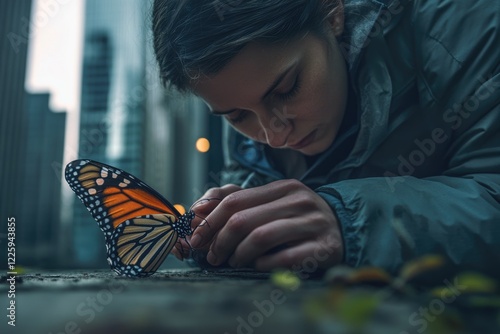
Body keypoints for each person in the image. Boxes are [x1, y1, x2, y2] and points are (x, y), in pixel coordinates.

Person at [151, 0, 500, 276]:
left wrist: (351, 223)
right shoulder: (252, 134)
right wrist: (227, 234)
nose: (272, 136)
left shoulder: (468, 28)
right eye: (236, 116)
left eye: (287, 89)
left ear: (331, 10)